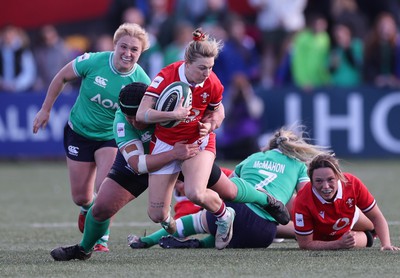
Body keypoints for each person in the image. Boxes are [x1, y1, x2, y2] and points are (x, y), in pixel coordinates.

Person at [32, 23, 151, 252]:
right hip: (79, 132)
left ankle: (101, 239)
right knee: (81, 197)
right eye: (123, 47)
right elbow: (61, 77)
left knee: (105, 191)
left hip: (110, 138)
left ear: (141, 52)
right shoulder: (93, 61)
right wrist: (45, 109)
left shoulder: (142, 83)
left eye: (134, 49)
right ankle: (87, 209)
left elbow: (144, 117)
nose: (127, 53)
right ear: (114, 45)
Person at [49, 82, 200, 261]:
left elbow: (211, 111)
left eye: (137, 115)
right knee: (101, 207)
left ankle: (226, 215)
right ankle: (83, 249)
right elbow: (138, 165)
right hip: (144, 160)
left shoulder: (168, 104)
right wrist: (174, 153)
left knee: (216, 189)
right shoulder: (121, 122)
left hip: (178, 157)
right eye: (129, 117)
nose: (135, 122)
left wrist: (210, 123)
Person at [128, 125, 329, 249]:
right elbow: (305, 201)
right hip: (262, 232)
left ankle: (147, 241)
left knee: (200, 221)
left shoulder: (253, 157)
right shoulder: (298, 166)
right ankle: (203, 243)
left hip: (232, 212)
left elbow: (228, 189)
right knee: (281, 228)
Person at [136, 28, 236, 250]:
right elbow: (142, 114)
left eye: (210, 68)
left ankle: (223, 215)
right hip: (166, 142)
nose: (207, 73)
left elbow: (218, 112)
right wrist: (172, 115)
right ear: (187, 63)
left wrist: (210, 125)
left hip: (197, 142)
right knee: (156, 214)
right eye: (202, 68)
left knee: (194, 192)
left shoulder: (213, 83)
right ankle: (173, 226)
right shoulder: (166, 76)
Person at [292, 154, 400, 251]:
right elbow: (305, 244)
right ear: (311, 180)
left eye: (330, 179)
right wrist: (338, 244)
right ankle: (366, 237)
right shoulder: (302, 200)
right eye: (319, 181)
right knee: (366, 238)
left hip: (350, 214)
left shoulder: (352, 183)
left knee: (373, 226)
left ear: (339, 176)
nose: (325, 186)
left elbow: (376, 217)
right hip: (323, 235)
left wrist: (386, 244)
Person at [0, 25, 36, 93]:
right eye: (5, 34)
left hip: (20, 91)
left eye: (10, 34)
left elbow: (29, 72)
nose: (8, 37)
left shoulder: (24, 51)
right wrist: (3, 84)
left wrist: (16, 85)